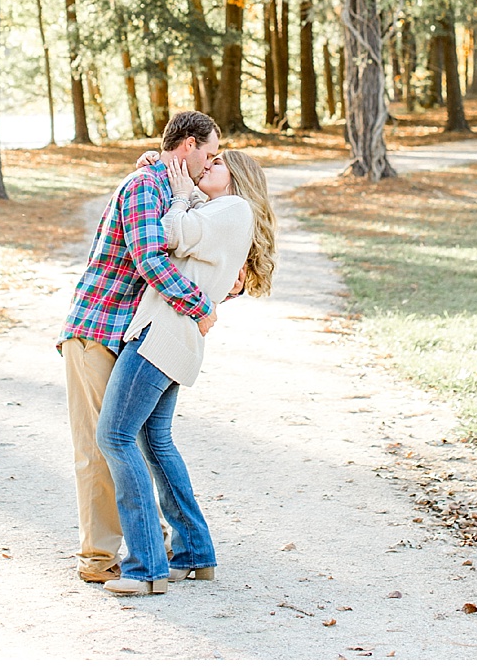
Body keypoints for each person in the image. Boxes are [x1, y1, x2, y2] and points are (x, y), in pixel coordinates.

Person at [94, 147, 277, 596]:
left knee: (114, 436)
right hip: (174, 336)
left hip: (162, 334)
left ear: (234, 178)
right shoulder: (222, 212)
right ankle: (193, 551)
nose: (206, 167)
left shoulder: (234, 208)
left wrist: (175, 194)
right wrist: (161, 174)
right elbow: (193, 229)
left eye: (217, 164)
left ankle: (145, 568)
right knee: (155, 440)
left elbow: (170, 232)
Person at [56, 109, 221, 585]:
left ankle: (155, 548)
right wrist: (198, 306)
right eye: (207, 153)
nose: (211, 162)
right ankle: (98, 559)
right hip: (95, 330)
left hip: (128, 334)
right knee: (98, 448)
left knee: (127, 441)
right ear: (186, 145)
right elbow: (149, 258)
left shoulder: (166, 188)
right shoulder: (144, 186)